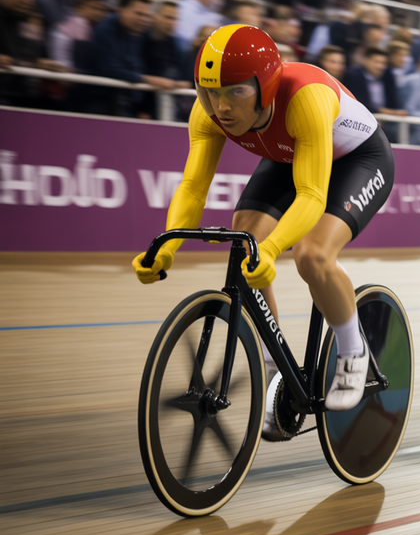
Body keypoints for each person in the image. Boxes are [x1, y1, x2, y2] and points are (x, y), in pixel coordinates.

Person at [131, 24, 395, 431]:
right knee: (244, 239)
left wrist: (272, 250)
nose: (221, 106)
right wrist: (166, 249)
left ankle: (352, 348)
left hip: (359, 159)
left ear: (266, 86)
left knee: (312, 255)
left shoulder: (305, 97)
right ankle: (276, 369)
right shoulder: (207, 112)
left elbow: (310, 194)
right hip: (291, 151)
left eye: (235, 91)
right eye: (209, 91)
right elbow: (193, 186)